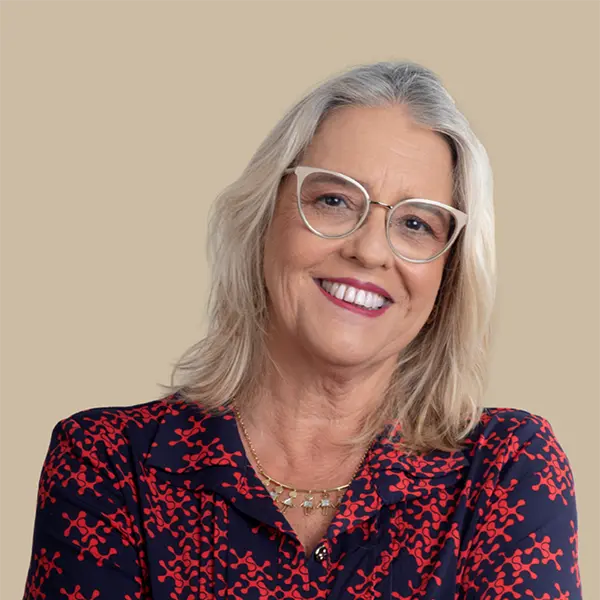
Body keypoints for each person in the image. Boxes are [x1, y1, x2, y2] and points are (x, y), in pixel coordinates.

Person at [23, 61, 581, 599]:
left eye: (415, 223)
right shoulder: (108, 463)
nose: (369, 250)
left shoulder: (507, 469)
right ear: (264, 218)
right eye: (334, 200)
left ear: (448, 275)